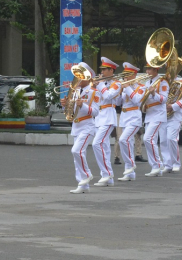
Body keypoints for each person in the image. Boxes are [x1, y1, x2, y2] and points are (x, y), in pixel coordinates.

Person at [62, 62, 99, 193]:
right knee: (77, 156)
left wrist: (81, 105)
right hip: (76, 126)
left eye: (81, 75)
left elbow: (95, 112)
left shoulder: (94, 92)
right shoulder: (75, 90)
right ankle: (82, 185)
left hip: (87, 126)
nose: (78, 78)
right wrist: (65, 104)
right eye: (78, 75)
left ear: (87, 77)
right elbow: (69, 111)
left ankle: (87, 175)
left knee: (76, 151)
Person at [92, 57, 122, 187]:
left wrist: (99, 84)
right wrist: (93, 87)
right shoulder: (101, 83)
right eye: (102, 70)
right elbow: (96, 99)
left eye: (105, 70)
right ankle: (108, 178)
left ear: (111, 70)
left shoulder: (117, 83)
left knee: (96, 144)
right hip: (99, 117)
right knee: (104, 147)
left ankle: (107, 173)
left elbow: (109, 96)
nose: (102, 72)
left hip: (109, 116)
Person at [116, 63, 146, 181]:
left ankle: (131, 164)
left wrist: (127, 87)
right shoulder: (125, 86)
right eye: (124, 75)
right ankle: (129, 173)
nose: (125, 78)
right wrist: (120, 90)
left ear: (134, 75)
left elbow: (137, 100)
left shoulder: (141, 87)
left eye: (127, 75)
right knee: (126, 142)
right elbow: (118, 102)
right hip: (124, 117)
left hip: (134, 117)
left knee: (124, 140)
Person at [141, 64, 170, 177]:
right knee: (149, 140)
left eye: (149, 69)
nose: (147, 71)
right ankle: (155, 166)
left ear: (155, 70)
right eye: (146, 69)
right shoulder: (147, 83)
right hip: (149, 114)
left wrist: (154, 93)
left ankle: (157, 165)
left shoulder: (162, 82)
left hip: (158, 114)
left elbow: (164, 99)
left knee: (148, 138)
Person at [164, 76, 182, 173]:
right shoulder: (162, 80)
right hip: (162, 114)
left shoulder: (181, 82)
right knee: (164, 141)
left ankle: (176, 163)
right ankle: (167, 164)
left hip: (175, 115)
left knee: (171, 138)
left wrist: (173, 106)